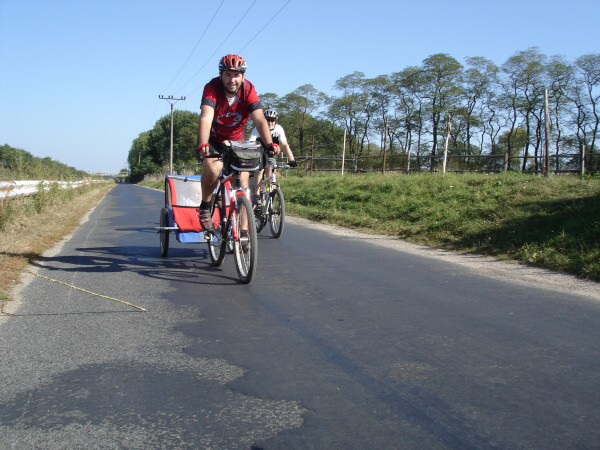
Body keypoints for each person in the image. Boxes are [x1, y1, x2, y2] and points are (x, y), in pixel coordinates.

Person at [196, 54, 279, 231]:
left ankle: (243, 234)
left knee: (243, 186)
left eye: (236, 75)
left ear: (243, 76)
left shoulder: (248, 89)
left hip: (236, 142)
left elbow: (259, 120)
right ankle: (205, 205)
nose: (232, 80)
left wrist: (269, 144)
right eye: (227, 74)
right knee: (213, 169)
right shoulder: (212, 88)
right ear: (221, 75)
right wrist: (203, 143)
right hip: (215, 140)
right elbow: (206, 118)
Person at [249, 108, 297, 201]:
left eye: (272, 120)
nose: (270, 122)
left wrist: (292, 160)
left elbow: (285, 145)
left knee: (270, 169)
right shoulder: (257, 128)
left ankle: (271, 194)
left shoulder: (279, 129)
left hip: (270, 154)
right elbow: (251, 143)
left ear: (275, 121)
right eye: (267, 120)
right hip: (258, 152)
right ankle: (256, 195)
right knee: (259, 170)